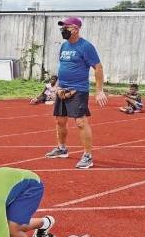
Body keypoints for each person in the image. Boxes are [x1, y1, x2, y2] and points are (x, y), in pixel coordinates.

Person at [45, 17, 108, 169]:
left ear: (76, 29)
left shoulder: (86, 46)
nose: (63, 30)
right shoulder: (64, 46)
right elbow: (63, 67)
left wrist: (99, 91)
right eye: (62, 28)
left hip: (78, 89)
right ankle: (62, 148)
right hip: (62, 89)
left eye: (66, 27)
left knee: (80, 122)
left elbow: (98, 68)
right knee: (60, 121)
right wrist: (58, 87)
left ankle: (88, 156)